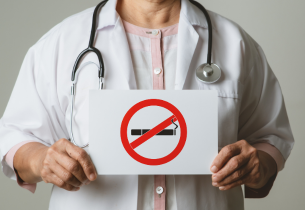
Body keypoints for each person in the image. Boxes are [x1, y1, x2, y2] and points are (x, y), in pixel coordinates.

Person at [0, 0, 294, 209]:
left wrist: (259, 165)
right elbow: (14, 138)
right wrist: (42, 161)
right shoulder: (62, 43)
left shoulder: (235, 44)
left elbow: (270, 137)